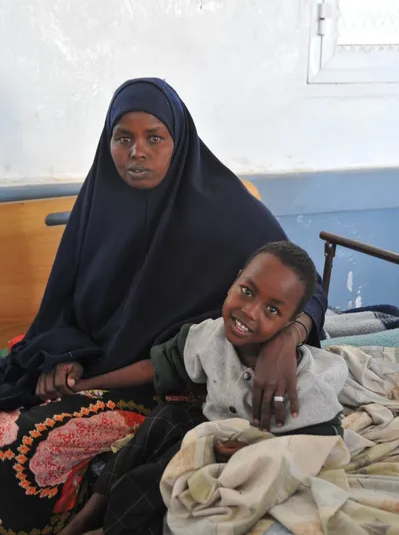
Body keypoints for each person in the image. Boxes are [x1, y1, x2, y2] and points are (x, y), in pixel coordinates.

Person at [0, 78, 327, 532]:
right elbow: (62, 305)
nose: (138, 151)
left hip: (171, 384)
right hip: (98, 365)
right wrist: (64, 354)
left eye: (154, 138)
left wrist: (285, 342)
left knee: (18, 441)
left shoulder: (227, 209)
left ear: (178, 141)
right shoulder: (98, 204)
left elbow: (307, 285)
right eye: (123, 138)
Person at [61, 241, 347, 535]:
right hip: (212, 432)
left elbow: (324, 438)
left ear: (290, 322)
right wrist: (86, 385)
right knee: (165, 418)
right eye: (246, 291)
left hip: (259, 453)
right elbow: (159, 365)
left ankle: (113, 528)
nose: (249, 311)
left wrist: (255, 450)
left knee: (150, 481)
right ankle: (90, 512)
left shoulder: (303, 380)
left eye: (271, 309)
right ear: (234, 281)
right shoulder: (210, 337)